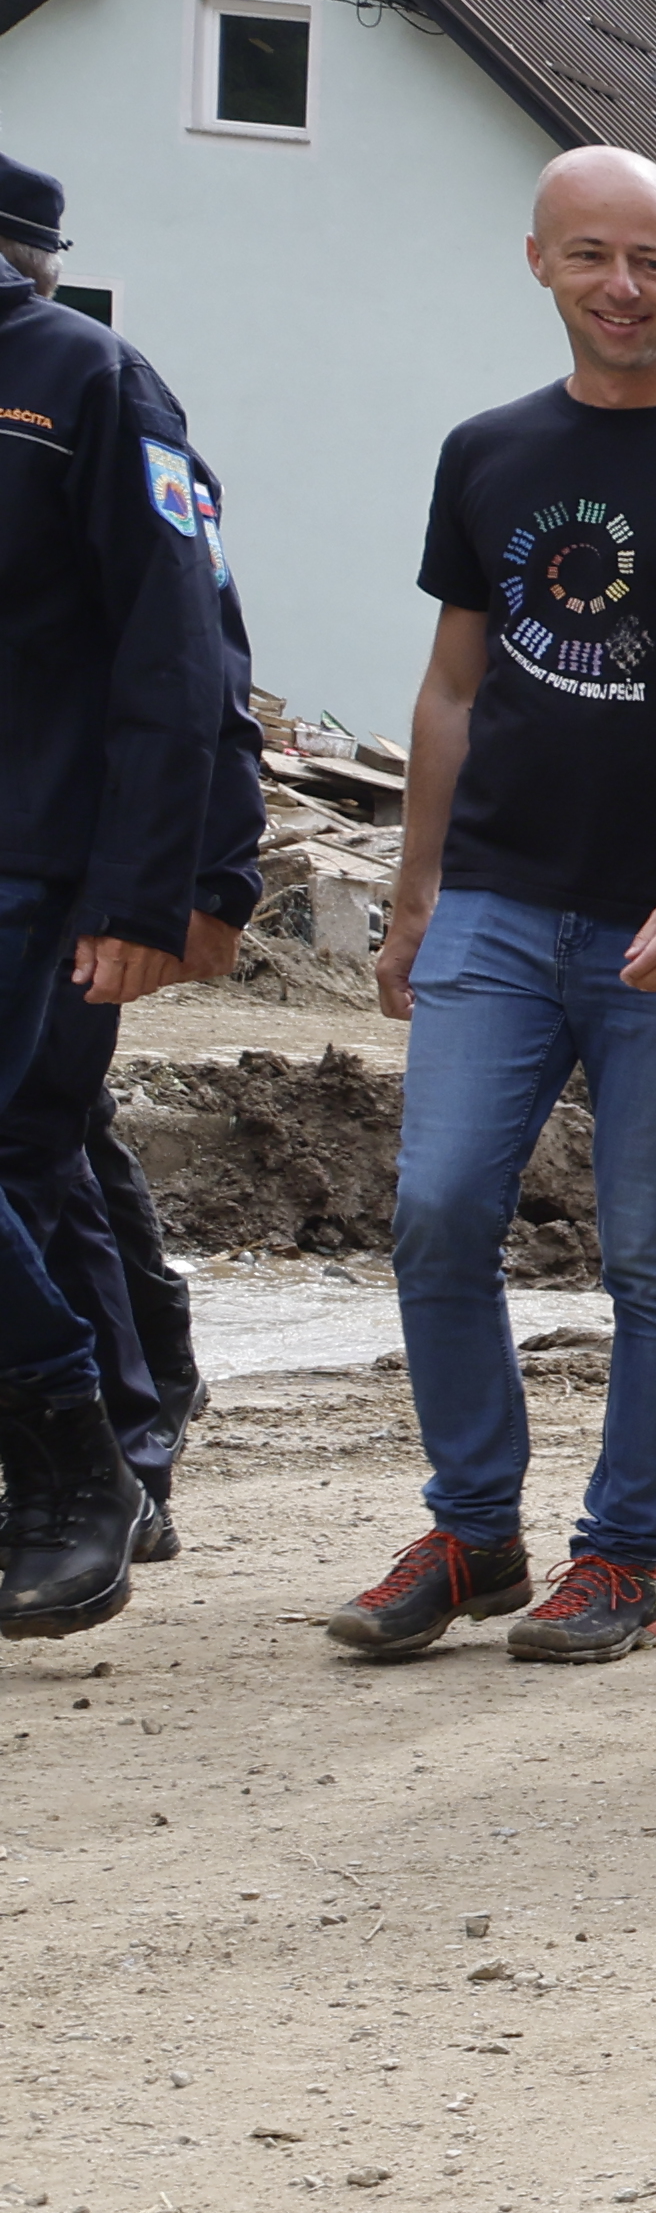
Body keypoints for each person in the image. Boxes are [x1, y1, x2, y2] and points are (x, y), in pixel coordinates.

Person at [342, 144, 656, 1666]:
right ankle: (472, 1532)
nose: (622, 287)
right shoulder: (488, 451)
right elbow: (450, 689)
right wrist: (415, 893)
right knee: (438, 1213)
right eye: (591, 256)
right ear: (540, 263)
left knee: (650, 1255)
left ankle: (621, 1559)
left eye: (651, 260)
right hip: (498, 900)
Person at [0, 141, 250, 1633]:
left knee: (34, 1149)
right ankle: (100, 1439)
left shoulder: (88, 383)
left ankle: (97, 1453)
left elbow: (187, 650)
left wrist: (174, 882)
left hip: (38, 856)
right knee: (44, 1160)